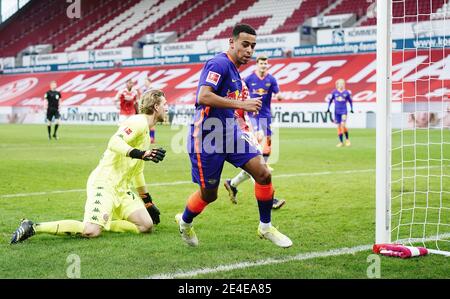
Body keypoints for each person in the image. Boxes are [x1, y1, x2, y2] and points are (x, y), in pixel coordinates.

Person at [175, 23, 292, 248]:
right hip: (207, 138)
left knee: (263, 173)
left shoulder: (237, 73)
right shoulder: (219, 63)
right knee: (209, 195)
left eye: (253, 46)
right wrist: (242, 104)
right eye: (245, 44)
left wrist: (247, 126)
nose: (249, 50)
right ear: (232, 42)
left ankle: (265, 227)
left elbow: (233, 108)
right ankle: (185, 222)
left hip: (231, 134)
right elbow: (203, 97)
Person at [10, 90, 168, 244]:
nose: (167, 108)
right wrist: (141, 153)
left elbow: (138, 171)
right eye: (165, 104)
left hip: (122, 190)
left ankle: (102, 221)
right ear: (155, 106)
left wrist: (148, 202)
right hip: (104, 183)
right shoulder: (138, 122)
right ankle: (33, 227)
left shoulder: (146, 132)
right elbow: (114, 142)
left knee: (146, 225)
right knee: (91, 231)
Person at [224, 55, 286, 209]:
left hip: (266, 119)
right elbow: (241, 100)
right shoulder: (247, 79)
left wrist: (279, 96)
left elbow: (278, 94)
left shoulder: (271, 79)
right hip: (252, 120)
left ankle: (232, 184)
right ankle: (269, 199)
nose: (264, 65)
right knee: (257, 161)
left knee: (261, 158)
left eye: (266, 63)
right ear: (257, 65)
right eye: (261, 63)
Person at [326, 79, 353, 147]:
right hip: (336, 111)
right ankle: (341, 142)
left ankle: (347, 140)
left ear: (344, 84)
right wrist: (328, 108)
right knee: (338, 127)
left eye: (342, 83)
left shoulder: (347, 92)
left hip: (344, 110)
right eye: (340, 84)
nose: (341, 85)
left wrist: (352, 108)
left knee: (343, 124)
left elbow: (350, 101)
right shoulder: (334, 92)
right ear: (337, 85)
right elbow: (330, 100)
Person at [141, 76, 156, 143]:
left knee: (152, 123)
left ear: (150, 82)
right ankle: (148, 137)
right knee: (146, 124)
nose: (145, 83)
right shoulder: (144, 90)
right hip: (146, 108)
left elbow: (155, 98)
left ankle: (152, 138)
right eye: (144, 82)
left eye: (146, 82)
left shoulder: (152, 89)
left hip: (151, 107)